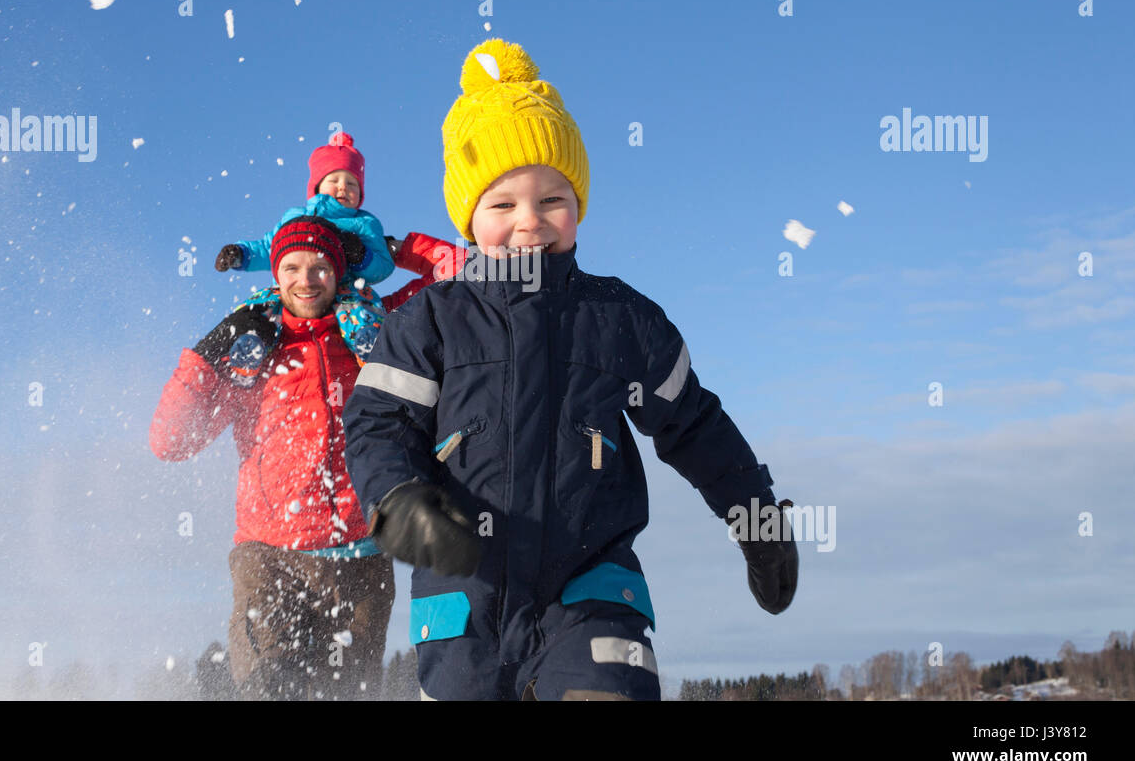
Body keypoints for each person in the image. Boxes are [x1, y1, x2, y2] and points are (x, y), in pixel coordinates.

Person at [341, 39, 798, 701]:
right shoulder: (429, 322)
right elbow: (378, 425)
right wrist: (397, 501)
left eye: (552, 198)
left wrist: (757, 518)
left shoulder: (618, 319)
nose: (530, 222)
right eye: (502, 206)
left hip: (592, 584)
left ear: (578, 204)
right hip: (466, 594)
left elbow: (695, 427)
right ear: (468, 219)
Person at [151, 216, 455, 699]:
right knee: (266, 689)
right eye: (291, 266)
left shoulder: (374, 334)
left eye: (321, 266)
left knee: (349, 694)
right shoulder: (252, 346)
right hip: (270, 559)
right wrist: (210, 351)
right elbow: (171, 440)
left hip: (361, 557)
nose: (306, 280)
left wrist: (388, 248)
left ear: (339, 272)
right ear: (275, 273)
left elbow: (452, 271)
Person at [214, 132, 397, 287]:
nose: (343, 187)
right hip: (291, 294)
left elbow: (383, 268)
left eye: (352, 183)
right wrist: (240, 253)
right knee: (258, 311)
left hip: (340, 296)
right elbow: (269, 248)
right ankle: (244, 330)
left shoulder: (364, 223)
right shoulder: (296, 217)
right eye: (334, 181)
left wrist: (360, 255)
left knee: (362, 314)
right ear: (317, 187)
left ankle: (363, 331)